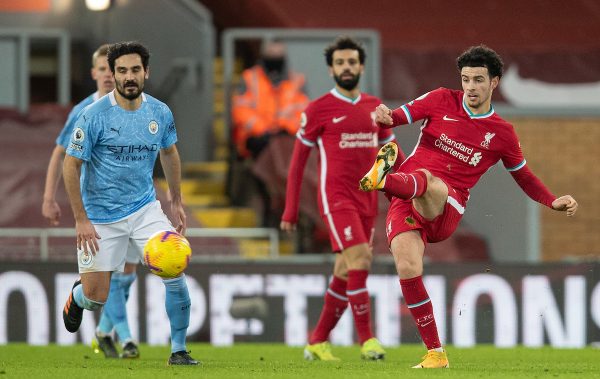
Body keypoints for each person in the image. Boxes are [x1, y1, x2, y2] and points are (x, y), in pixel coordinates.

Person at [360, 45, 578, 368]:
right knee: (407, 267)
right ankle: (436, 353)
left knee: (426, 179)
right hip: (408, 201)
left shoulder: (502, 133)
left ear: (494, 82)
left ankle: (385, 180)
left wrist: (551, 200)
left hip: (446, 205)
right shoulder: (439, 100)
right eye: (466, 79)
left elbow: (524, 177)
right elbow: (397, 116)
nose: (471, 87)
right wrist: (384, 118)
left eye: (478, 79)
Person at [61, 41, 198, 366]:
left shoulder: (159, 112)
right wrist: (80, 219)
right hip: (100, 217)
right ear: (114, 74)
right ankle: (78, 296)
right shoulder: (93, 115)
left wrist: (176, 200)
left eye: (135, 69)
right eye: (121, 71)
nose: (128, 76)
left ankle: (179, 350)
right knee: (96, 299)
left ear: (146, 72)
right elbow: (71, 164)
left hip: (144, 210)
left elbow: (169, 152)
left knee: (174, 266)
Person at [281, 36, 401, 361]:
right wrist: (291, 210)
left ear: (361, 66)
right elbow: (297, 163)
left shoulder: (375, 108)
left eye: (351, 62)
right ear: (331, 69)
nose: (346, 68)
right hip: (336, 199)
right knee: (361, 259)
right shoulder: (318, 109)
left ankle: (317, 341)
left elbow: (391, 154)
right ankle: (368, 341)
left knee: (345, 271)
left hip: (367, 200)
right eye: (340, 63)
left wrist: (402, 193)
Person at [41, 44, 140, 359]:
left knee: (127, 274)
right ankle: (125, 339)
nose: (110, 76)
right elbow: (62, 153)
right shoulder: (85, 111)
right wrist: (49, 197)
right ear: (95, 73)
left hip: (136, 203)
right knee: (109, 276)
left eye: (114, 70)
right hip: (99, 206)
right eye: (103, 69)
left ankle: (103, 333)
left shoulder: (135, 106)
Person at [232, 39, 309, 159]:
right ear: (263, 57)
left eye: (278, 56)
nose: (275, 59)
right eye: (271, 55)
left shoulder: (296, 80)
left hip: (287, 136)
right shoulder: (250, 78)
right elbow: (240, 110)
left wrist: (285, 128)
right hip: (256, 138)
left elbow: (304, 111)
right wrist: (263, 130)